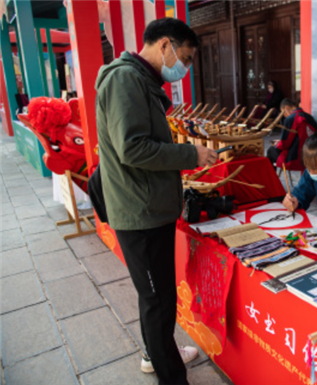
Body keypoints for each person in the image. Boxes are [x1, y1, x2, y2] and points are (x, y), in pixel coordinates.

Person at [95, 18, 218, 385]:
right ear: (165, 45)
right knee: (158, 301)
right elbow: (132, 148)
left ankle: (156, 350)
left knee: (155, 295)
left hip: (148, 207)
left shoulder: (141, 80)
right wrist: (189, 155)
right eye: (186, 56)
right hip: (140, 214)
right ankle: (170, 375)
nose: (186, 66)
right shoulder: (124, 79)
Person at [267, 98, 317, 170]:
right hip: (311, 155)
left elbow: (285, 144)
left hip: (296, 158)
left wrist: (276, 144)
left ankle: (272, 180)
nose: (284, 115)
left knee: (270, 150)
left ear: (286, 108)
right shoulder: (308, 117)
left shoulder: (291, 119)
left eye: (283, 112)